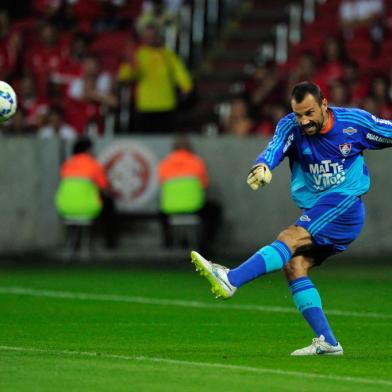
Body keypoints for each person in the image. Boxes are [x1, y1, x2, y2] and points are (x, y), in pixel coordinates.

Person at [191, 81, 392, 356]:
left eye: (309, 112)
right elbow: (274, 149)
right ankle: (328, 341)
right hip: (320, 208)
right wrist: (262, 165)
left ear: (324, 104)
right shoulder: (290, 127)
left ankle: (231, 279)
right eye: (298, 114)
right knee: (295, 265)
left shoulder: (353, 123)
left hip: (345, 204)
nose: (304, 120)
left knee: (289, 236)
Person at [118, 23, 193, 133]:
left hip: (167, 103)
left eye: (153, 36)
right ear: (142, 38)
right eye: (147, 37)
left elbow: (181, 73)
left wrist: (186, 87)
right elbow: (126, 76)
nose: (150, 39)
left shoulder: (168, 55)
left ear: (158, 36)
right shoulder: (138, 55)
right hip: (145, 104)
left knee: (166, 138)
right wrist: (129, 63)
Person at [158, 136, 221, 250]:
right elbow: (204, 185)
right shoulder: (197, 162)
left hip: (169, 209)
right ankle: (206, 244)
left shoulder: (164, 164)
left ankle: (168, 242)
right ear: (190, 148)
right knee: (215, 210)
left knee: (160, 211)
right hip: (194, 207)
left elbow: (162, 185)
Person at [56, 136, 118, 249]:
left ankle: (74, 242)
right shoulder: (93, 165)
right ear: (88, 150)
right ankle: (110, 244)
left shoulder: (67, 165)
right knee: (109, 204)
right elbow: (105, 189)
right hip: (86, 208)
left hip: (64, 208)